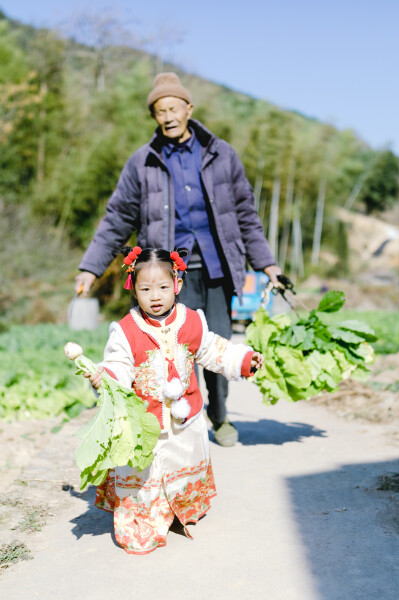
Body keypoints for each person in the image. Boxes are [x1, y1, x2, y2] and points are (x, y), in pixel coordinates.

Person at [76, 72, 281, 446]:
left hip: (217, 268)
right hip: (166, 277)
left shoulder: (221, 155)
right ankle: (176, 423)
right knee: (171, 351)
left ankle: (220, 417)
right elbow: (118, 218)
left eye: (173, 107)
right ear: (153, 116)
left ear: (189, 108)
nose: (168, 116)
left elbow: (246, 215)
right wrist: (90, 268)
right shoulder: (142, 162)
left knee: (215, 343)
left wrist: (268, 265)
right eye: (159, 110)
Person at [86, 246, 263, 555]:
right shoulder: (126, 330)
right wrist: (107, 377)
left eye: (163, 287)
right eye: (146, 289)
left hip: (185, 420)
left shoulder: (192, 321)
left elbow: (212, 350)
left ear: (177, 285)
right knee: (147, 474)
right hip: (145, 423)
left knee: (184, 463)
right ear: (133, 289)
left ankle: (179, 507)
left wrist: (243, 359)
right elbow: (118, 364)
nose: (155, 296)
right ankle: (146, 513)